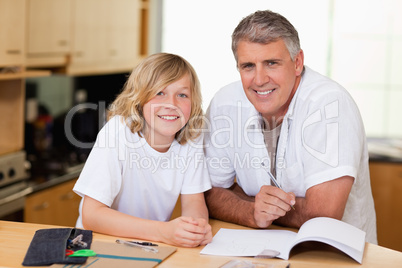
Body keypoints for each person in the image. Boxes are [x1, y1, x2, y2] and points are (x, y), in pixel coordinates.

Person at [204, 10, 377, 244]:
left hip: (334, 254)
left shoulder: (329, 104)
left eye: (271, 63)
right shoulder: (225, 103)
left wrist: (247, 200)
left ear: (297, 63)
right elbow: (208, 192)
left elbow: (323, 215)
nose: (259, 79)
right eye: (248, 66)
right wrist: (252, 211)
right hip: (258, 249)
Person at [73, 53, 212, 247]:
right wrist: (163, 232)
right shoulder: (118, 133)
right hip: (99, 244)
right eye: (159, 93)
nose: (171, 104)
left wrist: (196, 227)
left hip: (148, 245)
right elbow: (91, 215)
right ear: (140, 99)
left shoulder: (191, 137)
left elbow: (194, 201)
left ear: (193, 102)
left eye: (182, 95)